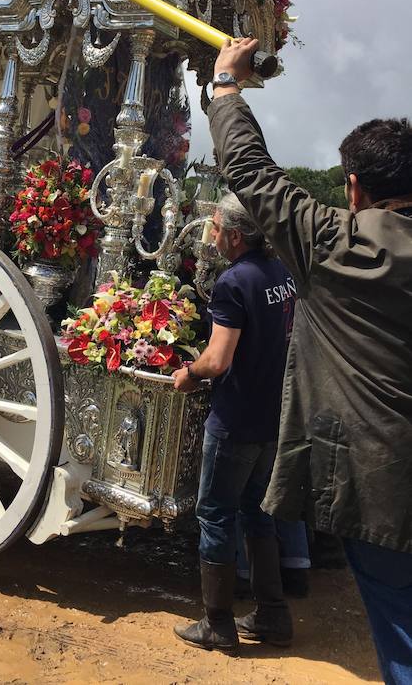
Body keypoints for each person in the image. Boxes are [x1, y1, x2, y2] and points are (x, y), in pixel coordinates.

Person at [205, 36, 412, 684]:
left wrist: (224, 86)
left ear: (352, 186)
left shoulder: (336, 240)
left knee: (400, 627)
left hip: (381, 487)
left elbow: (250, 170)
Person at [172, 192, 296, 655]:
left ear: (236, 236)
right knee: (257, 513)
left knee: (216, 514)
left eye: (218, 228)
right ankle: (273, 613)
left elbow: (218, 359)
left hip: (236, 417)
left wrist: (188, 373)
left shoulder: (233, 283)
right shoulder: (282, 274)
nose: (214, 235)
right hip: (272, 416)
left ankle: (218, 623)